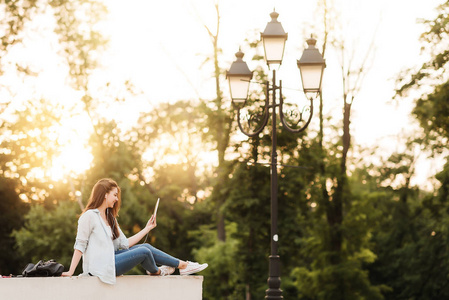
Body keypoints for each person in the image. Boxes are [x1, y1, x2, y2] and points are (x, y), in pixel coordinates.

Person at [61, 178, 208, 284]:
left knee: (146, 247)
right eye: (114, 195)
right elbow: (80, 245)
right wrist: (71, 271)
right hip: (101, 267)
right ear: (105, 194)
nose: (116, 199)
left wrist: (147, 228)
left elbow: (125, 244)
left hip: (112, 259)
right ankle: (162, 270)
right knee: (144, 252)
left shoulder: (110, 218)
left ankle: (182, 265)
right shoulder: (89, 216)